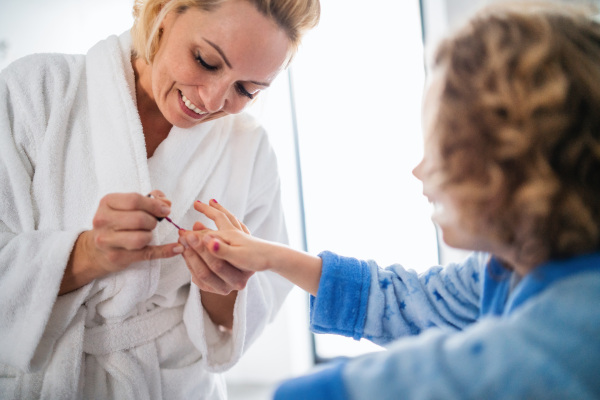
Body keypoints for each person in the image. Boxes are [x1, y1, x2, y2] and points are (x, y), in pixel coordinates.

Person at [179, 2, 600, 398]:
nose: (420, 171)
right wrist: (271, 256)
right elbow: (411, 303)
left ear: (514, 162)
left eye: (443, 149)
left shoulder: (579, 327)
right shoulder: (507, 268)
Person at [0, 0, 319, 398]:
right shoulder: (35, 90)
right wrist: (86, 254)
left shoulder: (250, 148)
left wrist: (222, 285)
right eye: (205, 61)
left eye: (246, 89)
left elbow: (240, 319)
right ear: (164, 17)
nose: (213, 100)